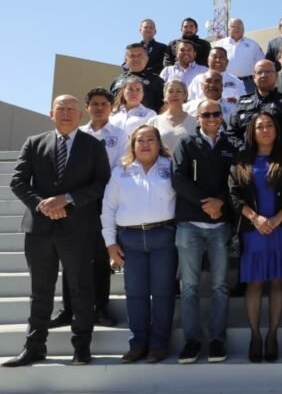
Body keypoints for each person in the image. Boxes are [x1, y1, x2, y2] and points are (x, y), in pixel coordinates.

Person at [4, 95, 110, 367]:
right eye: (61, 109)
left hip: (78, 229)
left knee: (81, 288)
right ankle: (34, 347)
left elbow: (100, 183)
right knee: (40, 291)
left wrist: (68, 199)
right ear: (51, 113)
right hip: (39, 229)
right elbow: (17, 181)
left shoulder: (94, 146)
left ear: (80, 115)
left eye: (71, 109)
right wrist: (42, 205)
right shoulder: (34, 142)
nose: (66, 113)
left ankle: (82, 348)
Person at [50, 88, 126, 330]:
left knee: (101, 259)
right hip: (78, 204)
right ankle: (68, 309)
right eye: (94, 103)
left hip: (106, 203)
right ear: (87, 107)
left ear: (111, 107)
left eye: (104, 103)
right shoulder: (77, 133)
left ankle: (100, 308)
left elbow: (120, 168)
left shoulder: (121, 135)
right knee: (71, 259)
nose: (99, 107)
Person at [101, 125, 177, 364]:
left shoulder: (171, 168)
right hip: (129, 241)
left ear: (159, 143)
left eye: (150, 139)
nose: (145, 144)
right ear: (133, 145)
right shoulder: (119, 172)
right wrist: (110, 244)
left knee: (163, 293)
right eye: (140, 140)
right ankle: (138, 344)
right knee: (135, 294)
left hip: (163, 237)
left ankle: (158, 345)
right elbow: (108, 209)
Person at [231, 111, 282, 362]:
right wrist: (255, 218)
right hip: (254, 230)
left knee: (277, 283)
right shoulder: (241, 159)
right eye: (260, 126)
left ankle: (272, 335)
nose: (265, 129)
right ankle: (255, 336)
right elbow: (235, 195)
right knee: (255, 283)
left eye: (270, 125)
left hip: (280, 229)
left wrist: (280, 217)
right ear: (252, 131)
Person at [172, 99, 237, 364]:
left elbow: (236, 179)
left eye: (216, 113)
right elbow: (178, 177)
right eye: (206, 114)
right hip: (190, 225)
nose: (212, 118)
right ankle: (192, 340)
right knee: (189, 287)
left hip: (220, 225)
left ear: (222, 116)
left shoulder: (230, 145)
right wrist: (205, 203)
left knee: (221, 286)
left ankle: (217, 339)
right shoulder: (186, 143)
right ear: (197, 118)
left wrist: (220, 202)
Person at [228, 59, 282, 148]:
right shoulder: (242, 103)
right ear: (254, 77)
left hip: (279, 156)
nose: (264, 75)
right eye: (260, 72)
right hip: (248, 157)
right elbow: (231, 132)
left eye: (268, 72)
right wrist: (243, 149)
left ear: (276, 76)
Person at [213, 18, 265, 95]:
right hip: (226, 82)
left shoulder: (253, 44)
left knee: (249, 106)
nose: (237, 28)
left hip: (249, 83)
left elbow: (262, 64)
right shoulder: (220, 44)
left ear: (243, 28)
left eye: (239, 26)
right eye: (234, 26)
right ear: (229, 29)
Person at [110, 43, 165, 113]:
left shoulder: (157, 81)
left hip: (145, 122)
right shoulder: (117, 81)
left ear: (146, 58)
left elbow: (165, 106)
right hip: (118, 122)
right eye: (132, 56)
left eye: (139, 55)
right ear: (126, 59)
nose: (136, 59)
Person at [147, 80, 196, 154]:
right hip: (161, 165)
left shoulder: (195, 122)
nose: (174, 94)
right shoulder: (153, 122)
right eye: (170, 91)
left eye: (178, 91)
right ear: (165, 95)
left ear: (185, 95)